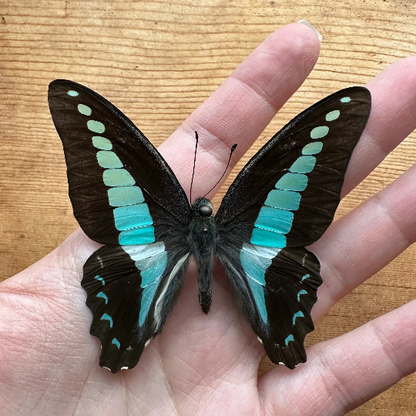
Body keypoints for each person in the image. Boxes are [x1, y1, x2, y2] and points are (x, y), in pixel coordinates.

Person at [2, 21, 416, 415]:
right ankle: (149, 333)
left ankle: (174, 334)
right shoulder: (241, 214)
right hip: (250, 256)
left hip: (161, 254)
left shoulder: (164, 207)